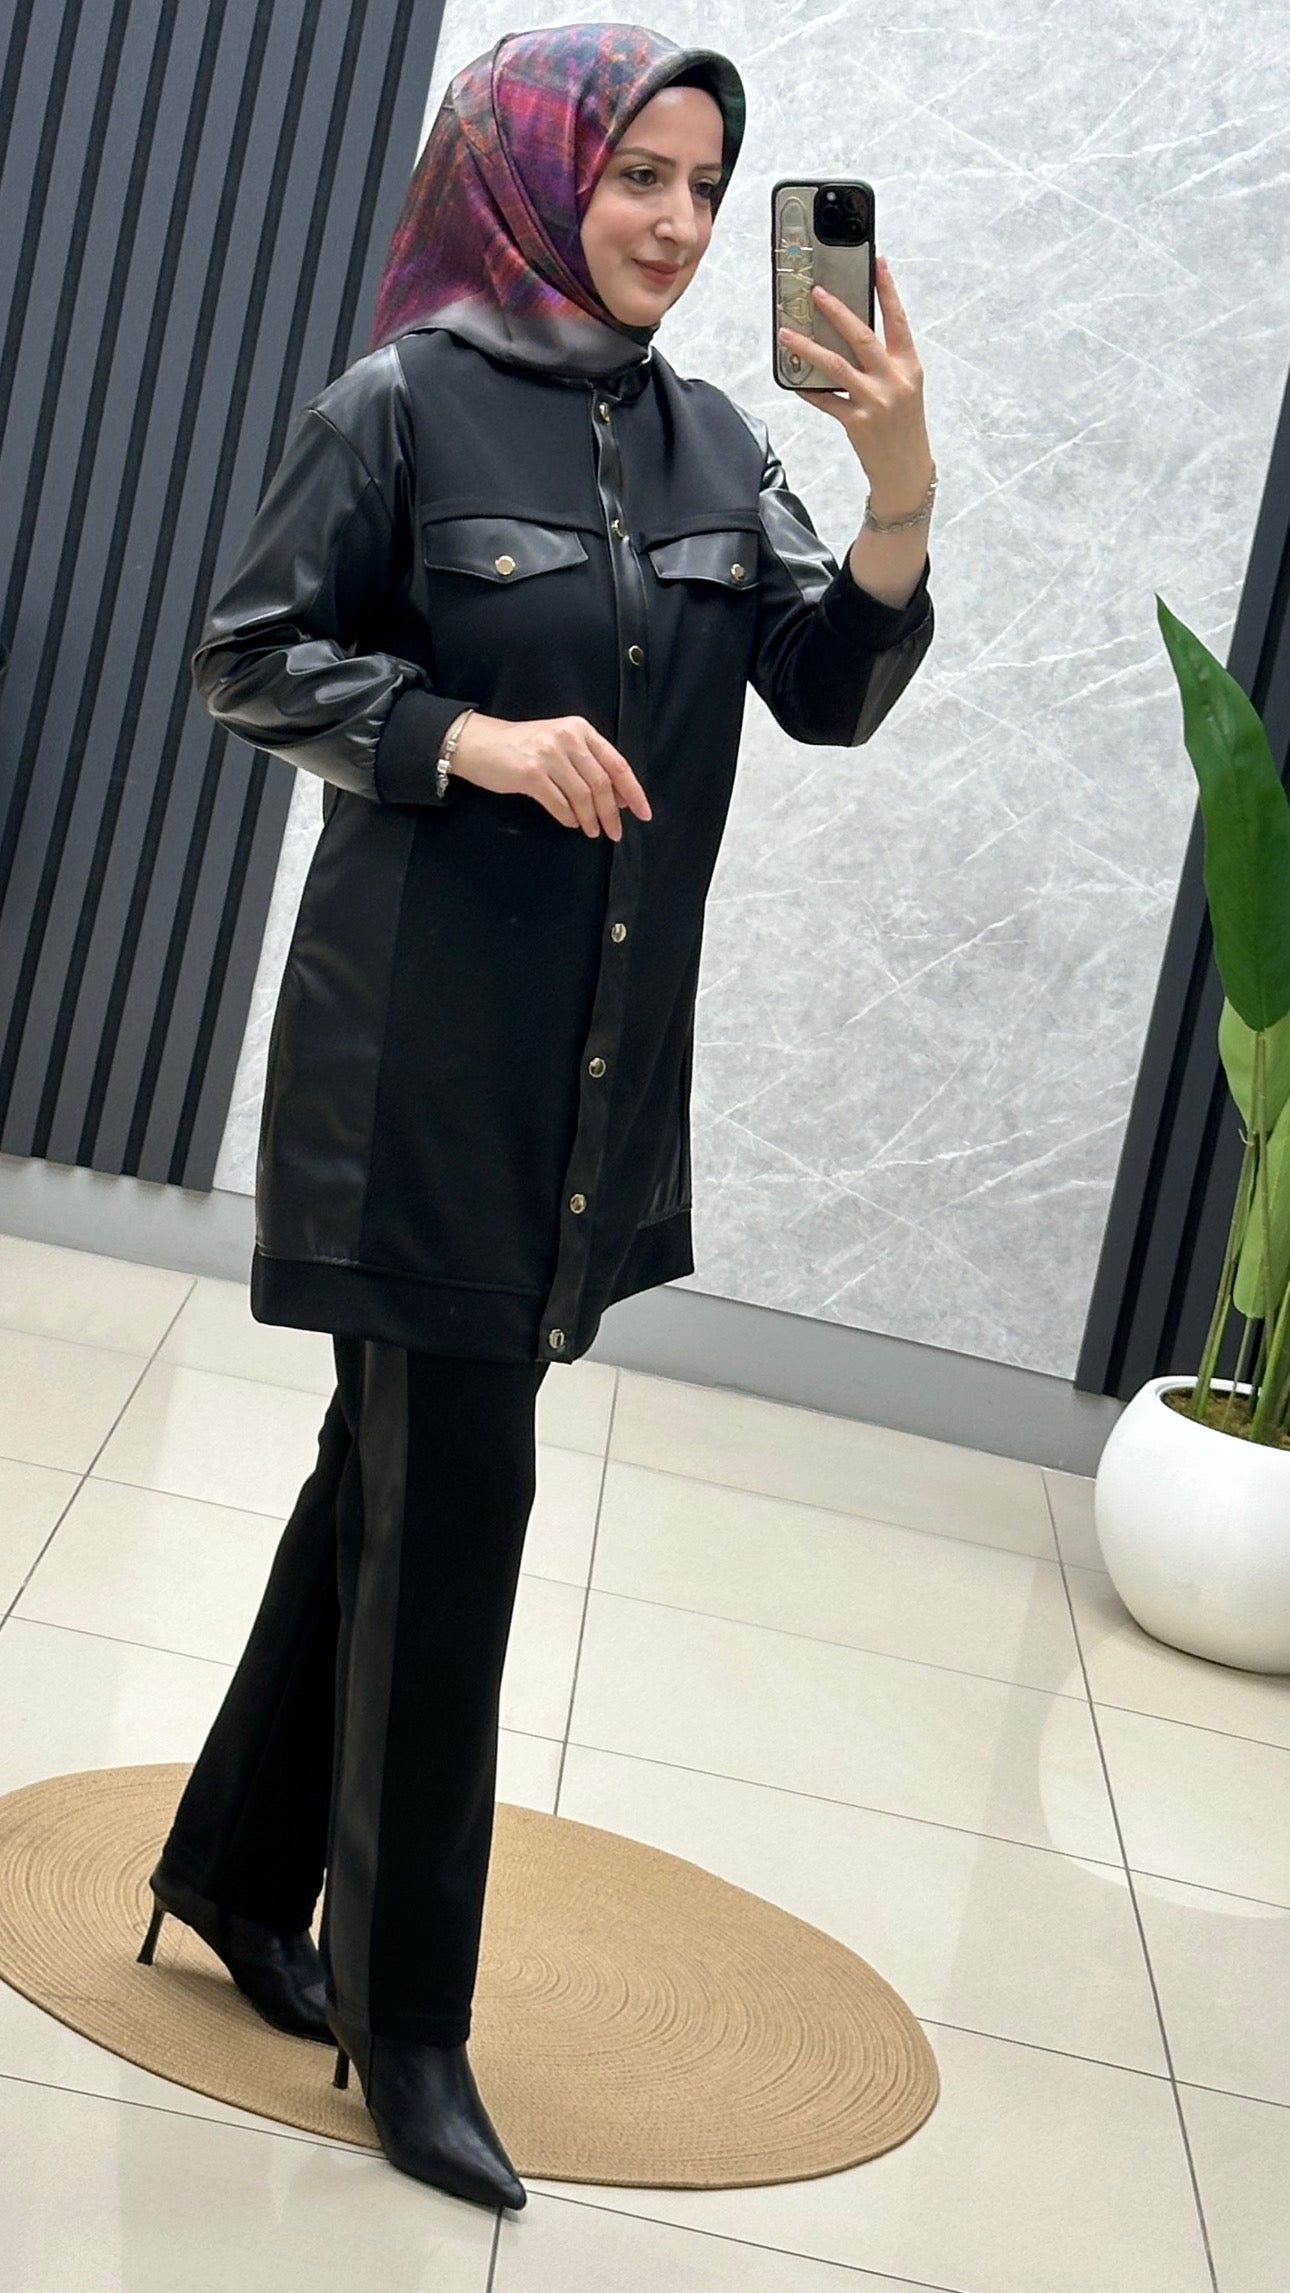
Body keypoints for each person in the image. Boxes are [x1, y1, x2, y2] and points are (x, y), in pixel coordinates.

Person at [136, 20, 936, 2217]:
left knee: (388, 1479)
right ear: (532, 169)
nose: (678, 222)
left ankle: (229, 1866)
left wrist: (895, 495)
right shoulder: (397, 406)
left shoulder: (713, 446)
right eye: (638, 174)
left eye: (708, 185)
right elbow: (245, 654)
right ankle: (410, 2023)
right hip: (411, 1070)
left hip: (586, 1081)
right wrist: (464, 738)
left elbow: (823, 690)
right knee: (456, 1518)